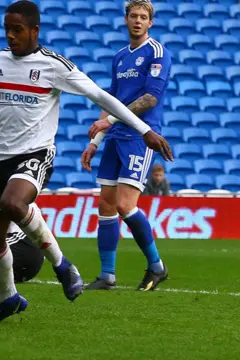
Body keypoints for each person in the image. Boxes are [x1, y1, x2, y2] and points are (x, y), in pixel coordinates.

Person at [0, 0, 173, 322]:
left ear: (35, 31)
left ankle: (128, 265)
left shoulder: (57, 65)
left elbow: (105, 97)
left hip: (41, 150)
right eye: (7, 29)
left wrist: (145, 130)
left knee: (21, 203)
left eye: (17, 29)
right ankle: (13, 298)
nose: (10, 36)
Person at [82, 0, 172, 291]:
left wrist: (109, 121)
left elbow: (150, 99)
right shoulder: (120, 57)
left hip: (140, 136)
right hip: (116, 137)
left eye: (143, 17)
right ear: (125, 20)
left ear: (150, 23)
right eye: (133, 16)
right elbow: (110, 99)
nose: (137, 20)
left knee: (124, 204)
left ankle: (157, 266)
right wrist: (95, 142)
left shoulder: (157, 53)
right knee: (106, 205)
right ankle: (107, 275)